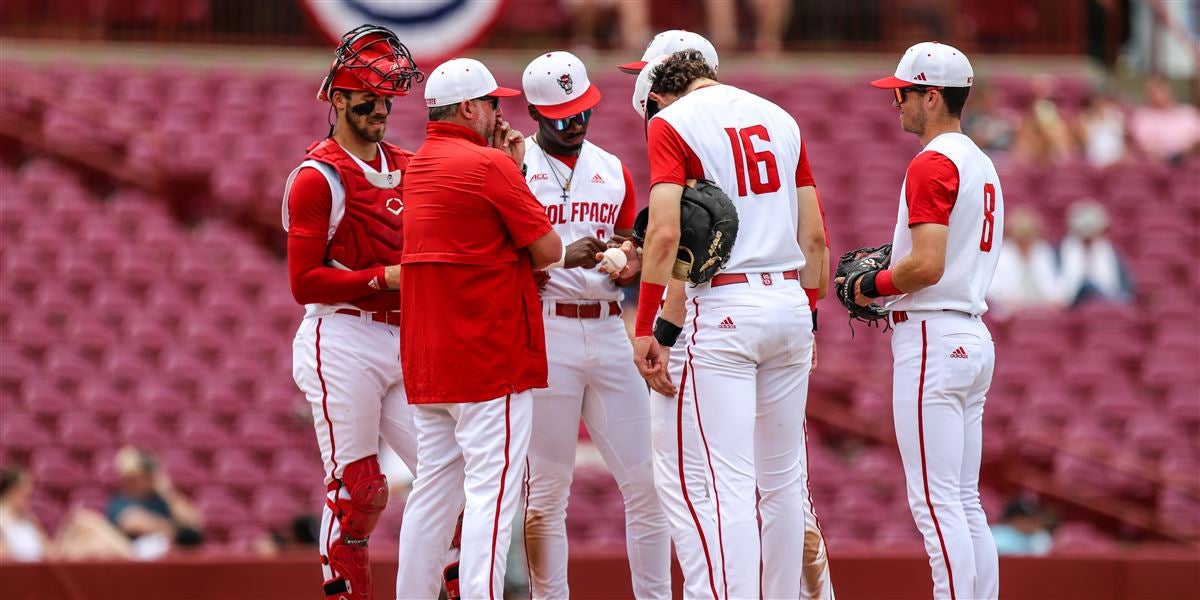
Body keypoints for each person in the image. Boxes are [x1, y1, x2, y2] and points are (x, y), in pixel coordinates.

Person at [626, 37, 834, 600]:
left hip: (724, 307)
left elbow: (665, 233)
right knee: (785, 483)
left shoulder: (672, 123)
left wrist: (647, 326)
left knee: (728, 484)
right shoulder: (780, 117)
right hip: (789, 298)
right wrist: (810, 317)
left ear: (661, 92)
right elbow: (815, 236)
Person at [395, 58, 562, 600]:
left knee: (432, 496)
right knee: (492, 496)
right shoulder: (489, 165)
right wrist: (509, 168)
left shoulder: (418, 165)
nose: (500, 112)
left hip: (430, 360)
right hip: (488, 358)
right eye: (493, 103)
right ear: (468, 107)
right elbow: (549, 249)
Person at [281, 24, 431, 600]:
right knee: (361, 488)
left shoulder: (411, 165)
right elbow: (303, 282)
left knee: (451, 476)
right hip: (341, 333)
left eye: (388, 99)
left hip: (407, 337)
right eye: (367, 98)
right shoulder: (317, 176)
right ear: (337, 99)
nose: (380, 110)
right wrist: (382, 277)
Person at [518, 50, 670, 599]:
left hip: (608, 325)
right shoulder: (517, 169)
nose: (576, 123)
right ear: (535, 113)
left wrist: (629, 259)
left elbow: (633, 243)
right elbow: (498, 255)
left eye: (583, 110)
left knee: (648, 484)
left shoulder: (610, 167)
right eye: (562, 115)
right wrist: (558, 257)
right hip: (547, 325)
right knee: (547, 494)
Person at [858, 41, 1004, 599]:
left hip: (934, 335)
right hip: (970, 333)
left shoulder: (933, 161)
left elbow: (925, 264)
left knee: (935, 499)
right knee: (963, 498)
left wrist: (871, 285)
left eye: (903, 92)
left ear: (932, 95)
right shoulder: (982, 160)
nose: (895, 102)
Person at [0, 467, 132, 561]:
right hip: (36, 568)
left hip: (47, 560)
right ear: (14, 490)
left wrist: (67, 529)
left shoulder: (26, 517)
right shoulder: (3, 520)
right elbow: (7, 556)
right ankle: (133, 558)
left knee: (86, 521)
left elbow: (47, 548)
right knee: (94, 536)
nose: (29, 495)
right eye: (25, 491)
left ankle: (132, 557)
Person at [107, 446, 204, 558]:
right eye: (144, 474)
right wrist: (178, 531)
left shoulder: (161, 499)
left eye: (149, 474)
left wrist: (168, 492)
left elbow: (195, 524)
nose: (148, 478)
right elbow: (134, 524)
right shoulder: (120, 502)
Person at [1057, 199, 1134, 306]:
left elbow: (1123, 287)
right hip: (1072, 302)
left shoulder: (1112, 252)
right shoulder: (1060, 251)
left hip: (1107, 298)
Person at [988, 208, 1063, 314]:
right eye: (1021, 237)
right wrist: (1003, 298)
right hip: (1012, 308)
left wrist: (1054, 298)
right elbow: (992, 286)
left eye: (1028, 236)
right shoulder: (1003, 253)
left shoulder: (1043, 251)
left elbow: (1053, 283)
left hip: (1041, 307)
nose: (1025, 240)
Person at [1128, 75, 1200, 166]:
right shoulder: (1143, 116)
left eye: (1160, 89)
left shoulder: (1189, 112)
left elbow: (1197, 140)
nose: (1156, 94)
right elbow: (1147, 147)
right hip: (1158, 166)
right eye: (1152, 91)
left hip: (1192, 162)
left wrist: (1186, 153)